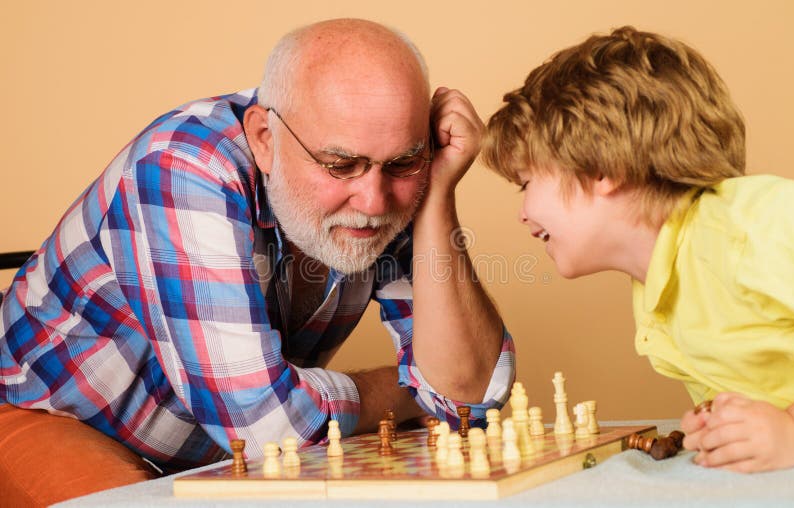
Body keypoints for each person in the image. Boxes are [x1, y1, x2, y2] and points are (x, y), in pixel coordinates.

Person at [0, 17, 514, 488]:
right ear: (265, 139)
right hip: (46, 415)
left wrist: (437, 195)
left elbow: (471, 394)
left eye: (403, 162)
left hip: (218, 450)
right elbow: (266, 424)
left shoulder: (396, 180)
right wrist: (401, 386)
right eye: (339, 165)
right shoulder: (185, 166)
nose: (374, 201)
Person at [483, 26, 794, 473]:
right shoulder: (657, 292)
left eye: (526, 184)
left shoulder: (748, 226)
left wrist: (792, 430)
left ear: (600, 169)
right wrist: (725, 425)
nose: (522, 214)